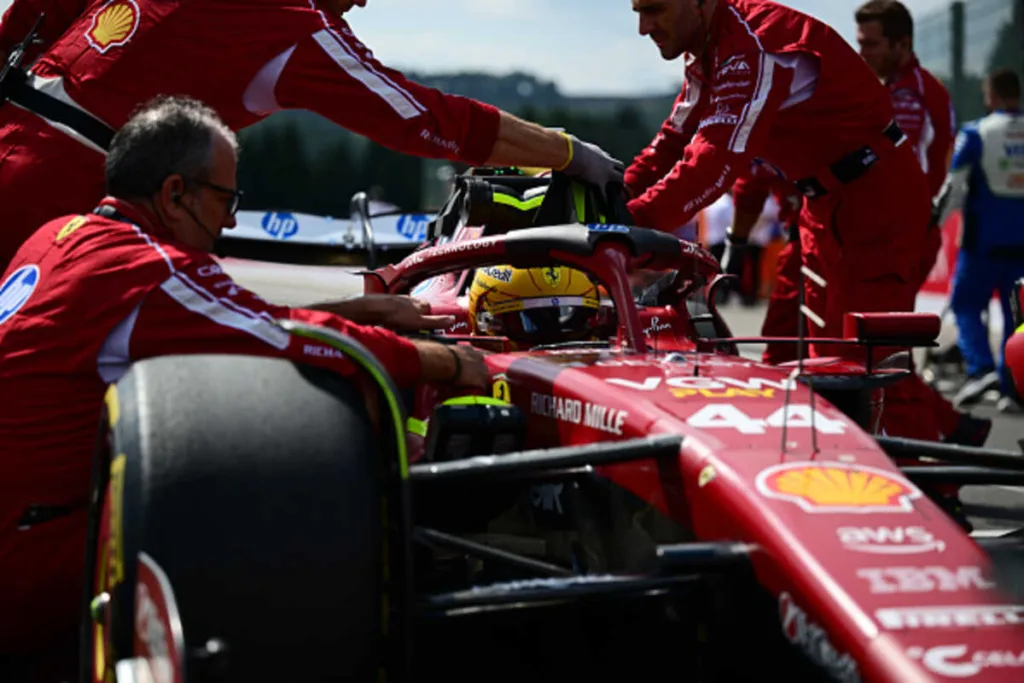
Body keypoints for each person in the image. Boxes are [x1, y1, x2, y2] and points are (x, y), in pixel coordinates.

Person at [0, 95, 492, 681]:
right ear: (175, 193)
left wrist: (360, 308)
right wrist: (448, 363)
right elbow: (283, 338)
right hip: (27, 562)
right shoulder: (151, 270)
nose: (230, 221)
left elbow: (230, 317)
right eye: (225, 200)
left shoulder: (60, 235)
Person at [0, 0, 622, 269]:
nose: (362, 7)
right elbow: (427, 119)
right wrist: (567, 152)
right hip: (63, 200)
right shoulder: (294, 23)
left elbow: (38, 11)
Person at [624, 0, 957, 441]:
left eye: (655, 10)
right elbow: (671, 142)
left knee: (873, 363)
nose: (644, 28)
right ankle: (841, 466)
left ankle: (930, 490)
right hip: (820, 204)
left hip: (877, 199)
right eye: (637, 12)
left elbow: (713, 163)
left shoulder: (754, 45)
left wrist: (627, 227)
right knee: (827, 362)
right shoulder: (708, 50)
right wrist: (610, 194)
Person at [936, 69, 1024, 412]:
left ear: (993, 94)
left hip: (982, 242)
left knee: (966, 305)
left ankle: (980, 368)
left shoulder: (976, 132)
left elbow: (953, 189)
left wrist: (933, 224)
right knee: (1017, 317)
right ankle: (1012, 387)